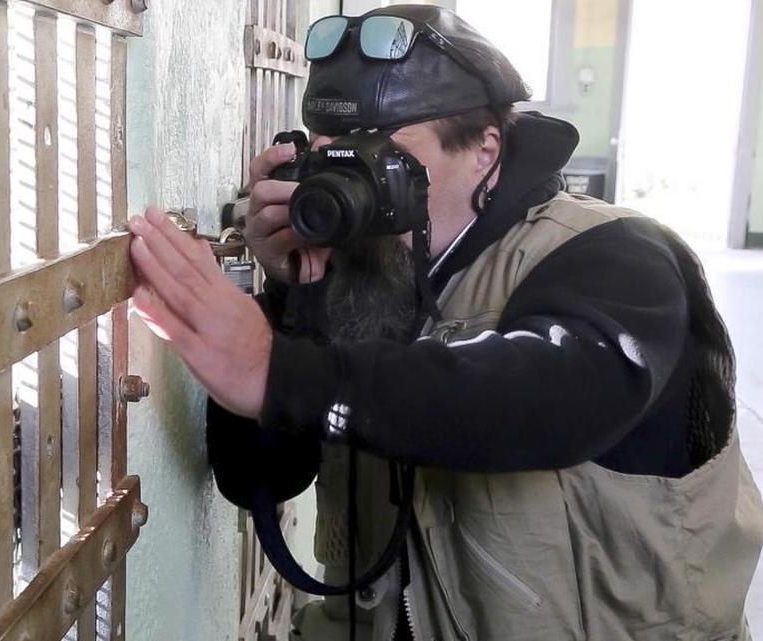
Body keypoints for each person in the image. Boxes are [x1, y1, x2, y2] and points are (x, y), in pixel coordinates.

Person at [127, 5, 763, 640]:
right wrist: (294, 301)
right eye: (334, 160)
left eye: (385, 158)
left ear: (486, 149)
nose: (358, 188)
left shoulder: (616, 255)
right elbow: (260, 481)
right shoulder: (370, 274)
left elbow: (546, 397)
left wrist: (283, 371)